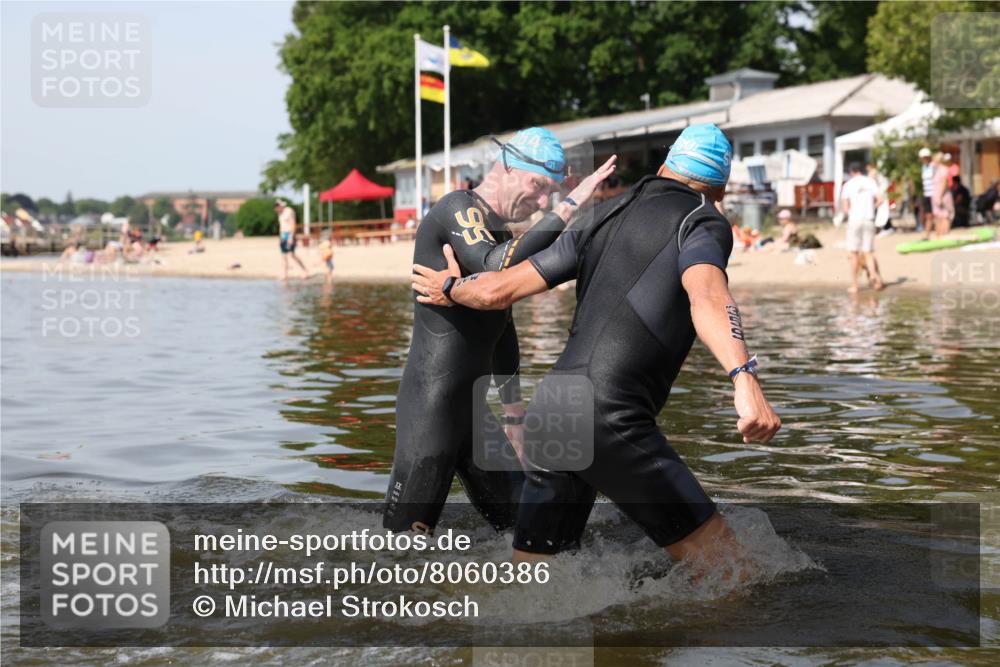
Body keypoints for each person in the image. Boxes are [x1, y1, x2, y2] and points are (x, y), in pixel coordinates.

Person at [411, 123, 781, 566]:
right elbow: (709, 296)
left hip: (555, 410)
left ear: (664, 167)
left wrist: (449, 287)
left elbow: (498, 290)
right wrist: (744, 379)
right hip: (611, 417)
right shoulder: (703, 219)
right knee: (733, 572)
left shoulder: (604, 214)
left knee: (533, 588)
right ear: (719, 188)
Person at [384, 127, 617, 535]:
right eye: (537, 186)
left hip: (474, 416)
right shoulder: (457, 208)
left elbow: (502, 330)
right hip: (431, 410)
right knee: (401, 553)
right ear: (507, 167)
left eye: (551, 194)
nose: (542, 201)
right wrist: (569, 207)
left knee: (531, 531)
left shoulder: (503, 233)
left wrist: (513, 414)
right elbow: (494, 265)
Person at [840, 163, 885, 293]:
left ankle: (854, 285)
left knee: (853, 254)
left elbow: (845, 208)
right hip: (869, 220)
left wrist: (851, 212)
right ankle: (873, 276)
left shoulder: (847, 185)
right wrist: (872, 208)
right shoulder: (870, 182)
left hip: (855, 220)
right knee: (869, 253)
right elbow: (880, 199)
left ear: (851, 171)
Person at [275, 199, 308, 280]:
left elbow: (293, 224)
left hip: (289, 234)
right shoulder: (280, 214)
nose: (276, 209)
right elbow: (281, 227)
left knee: (292, 254)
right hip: (283, 235)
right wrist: (280, 238)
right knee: (283, 256)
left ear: (280, 206)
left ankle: (305, 270)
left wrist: (291, 236)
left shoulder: (289, 211)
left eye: (276, 207)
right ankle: (285, 275)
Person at [926, 152, 954, 240]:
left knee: (944, 215)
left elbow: (944, 184)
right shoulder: (936, 170)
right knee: (937, 216)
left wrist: (940, 197)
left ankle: (944, 235)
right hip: (935, 195)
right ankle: (938, 235)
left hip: (942, 196)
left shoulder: (944, 169)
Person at [867, 162, 893, 237]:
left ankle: (887, 228)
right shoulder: (877, 172)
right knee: (881, 212)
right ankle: (885, 228)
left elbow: (871, 182)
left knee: (882, 212)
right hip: (879, 194)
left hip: (880, 194)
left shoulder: (874, 172)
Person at [918, 147, 934, 233]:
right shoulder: (923, 167)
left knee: (936, 215)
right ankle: (927, 233)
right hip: (927, 194)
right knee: (927, 215)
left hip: (934, 194)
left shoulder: (933, 166)